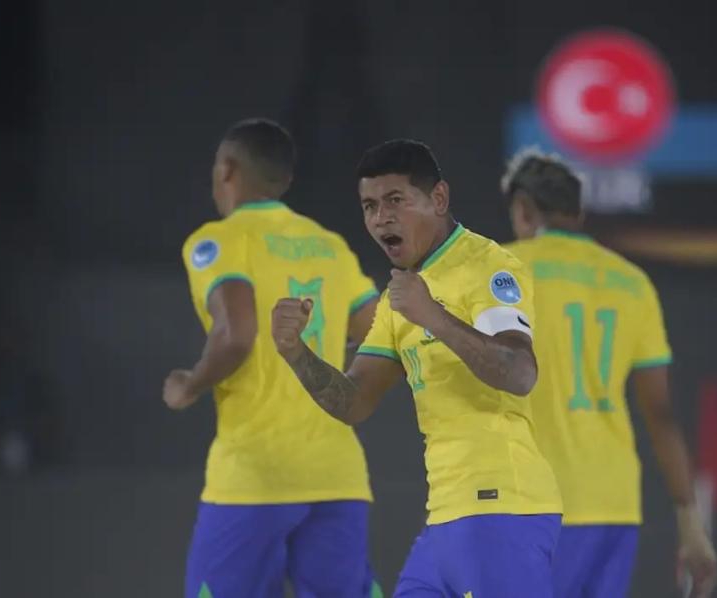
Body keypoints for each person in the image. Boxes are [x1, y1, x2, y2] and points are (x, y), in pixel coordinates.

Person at [272, 139, 563, 597]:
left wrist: (432, 315)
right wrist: (296, 353)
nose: (380, 218)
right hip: (445, 518)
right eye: (369, 206)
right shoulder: (399, 297)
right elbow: (355, 401)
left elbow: (519, 371)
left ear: (439, 199)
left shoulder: (487, 267)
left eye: (395, 201)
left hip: (501, 507)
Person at [162, 118, 382, 598]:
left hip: (255, 476)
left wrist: (191, 384)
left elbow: (237, 335)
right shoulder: (330, 245)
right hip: (337, 474)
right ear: (284, 181)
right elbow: (377, 331)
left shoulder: (219, 241)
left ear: (227, 170)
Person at [500, 149, 717, 598]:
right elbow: (660, 416)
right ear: (578, 212)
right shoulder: (632, 282)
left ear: (522, 211)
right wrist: (692, 526)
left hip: (534, 504)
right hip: (615, 507)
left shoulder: (502, 270)